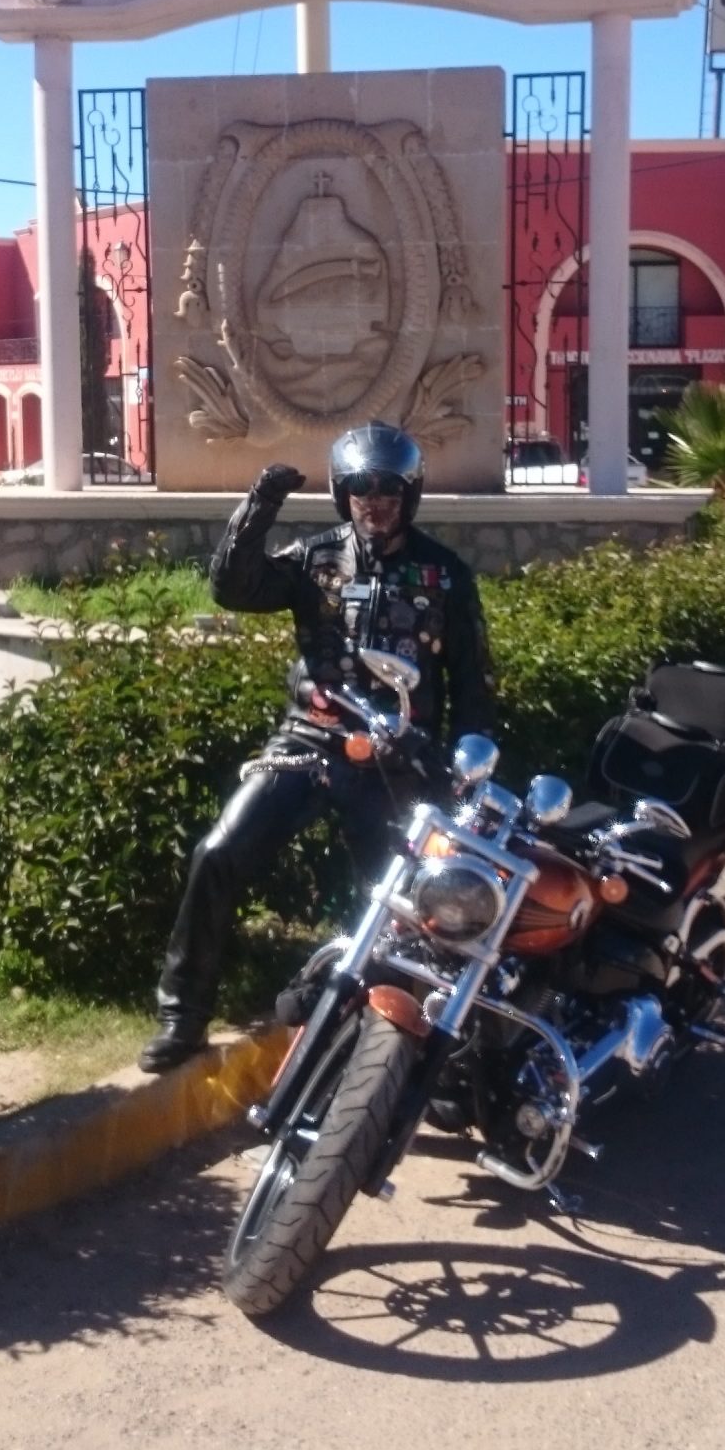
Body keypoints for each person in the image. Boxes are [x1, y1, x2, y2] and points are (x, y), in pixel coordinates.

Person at [138, 420, 498, 1072]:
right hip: (310, 741)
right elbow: (233, 588)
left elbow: (474, 684)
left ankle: (407, 1046)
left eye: (388, 488)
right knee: (217, 853)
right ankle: (181, 1017)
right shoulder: (316, 558)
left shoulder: (444, 576)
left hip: (395, 758)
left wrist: (464, 770)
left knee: (408, 903)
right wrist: (259, 507)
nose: (374, 500)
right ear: (342, 491)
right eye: (360, 487)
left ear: (409, 494)